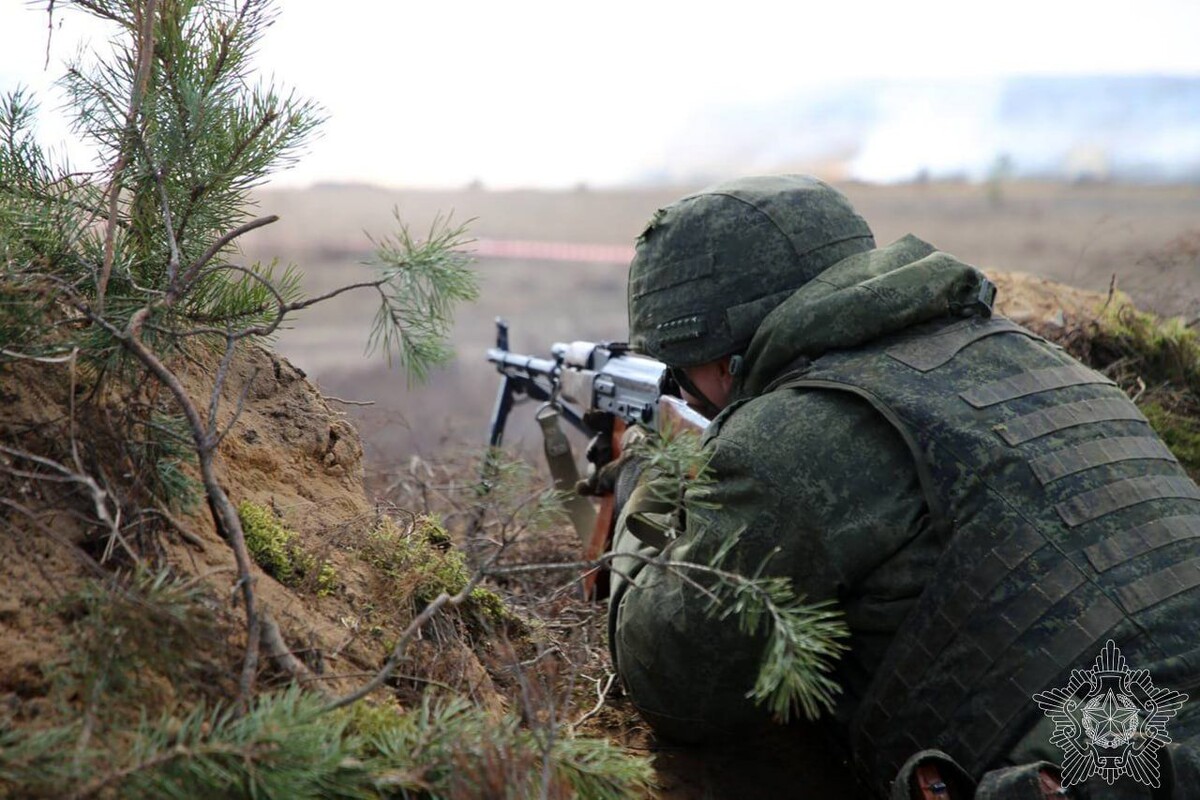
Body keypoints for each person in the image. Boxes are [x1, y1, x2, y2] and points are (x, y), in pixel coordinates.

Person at [605, 175, 1200, 799]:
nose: (682, 384)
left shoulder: (786, 437)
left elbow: (671, 681)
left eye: (681, 366)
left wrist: (647, 475)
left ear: (725, 353)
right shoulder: (1036, 357)